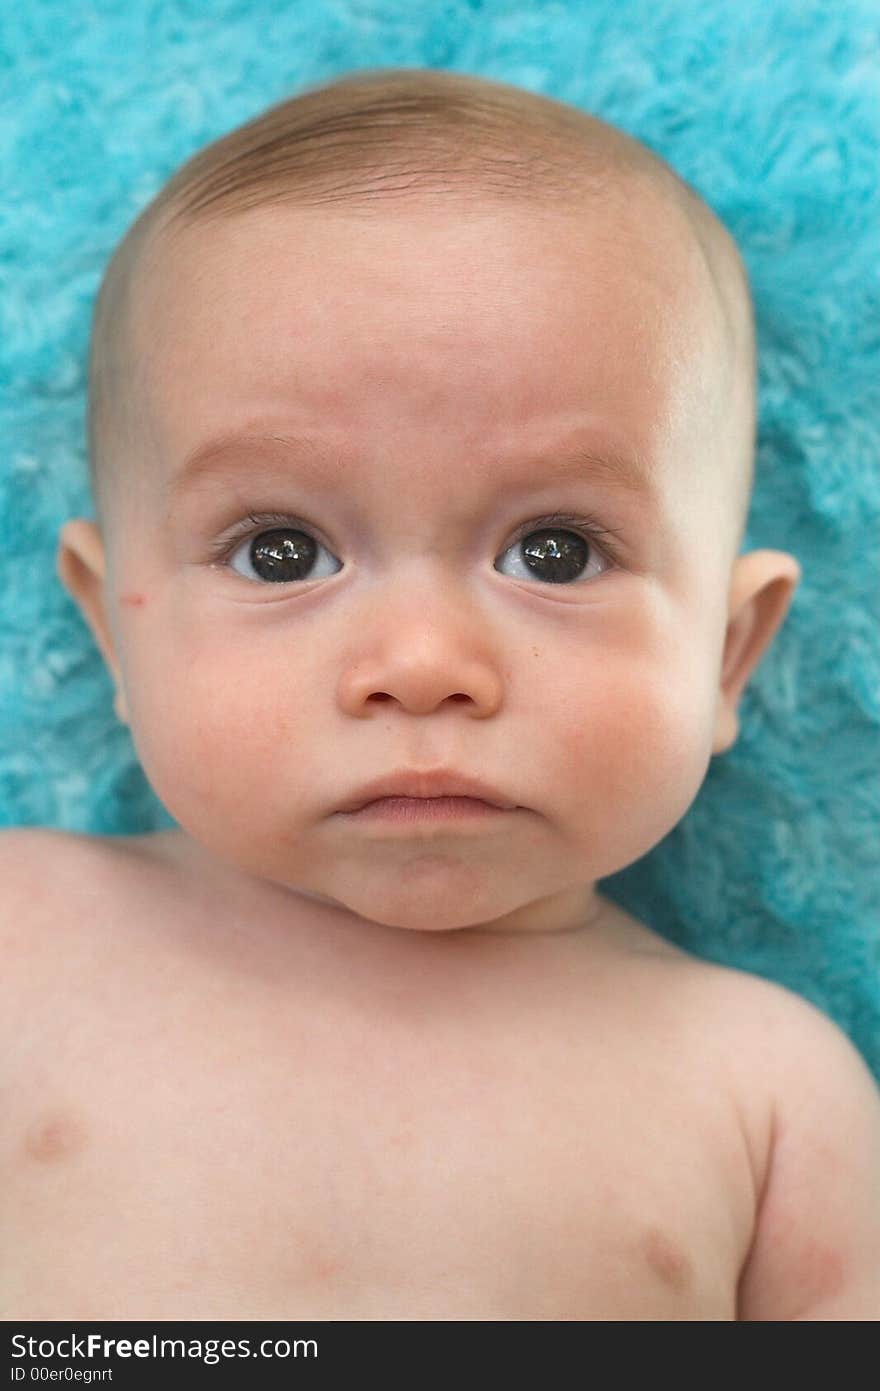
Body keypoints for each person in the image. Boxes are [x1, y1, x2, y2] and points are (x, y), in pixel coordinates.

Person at [3, 68, 878, 1320]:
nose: (420, 664)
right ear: (113, 632)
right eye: (282, 551)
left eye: (557, 551)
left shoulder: (773, 1092)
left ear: (728, 652)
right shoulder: (23, 937)